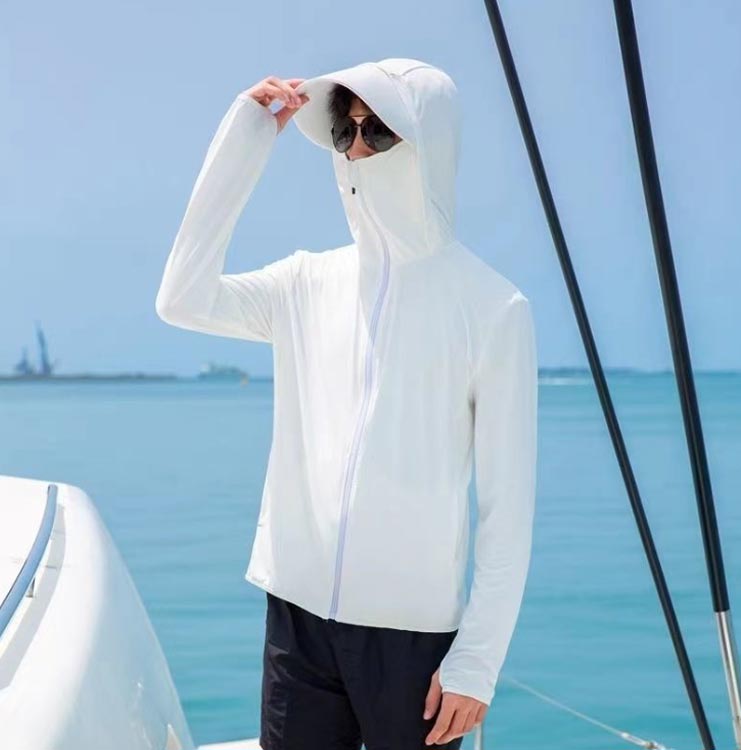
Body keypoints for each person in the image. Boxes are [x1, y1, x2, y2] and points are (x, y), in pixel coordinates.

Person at [155, 58, 538, 749]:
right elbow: (182, 298)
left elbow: (507, 508)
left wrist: (478, 661)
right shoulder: (304, 282)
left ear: (428, 145)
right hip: (297, 618)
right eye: (344, 130)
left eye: (377, 130)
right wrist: (245, 140)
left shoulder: (493, 307)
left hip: (412, 638)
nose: (356, 148)